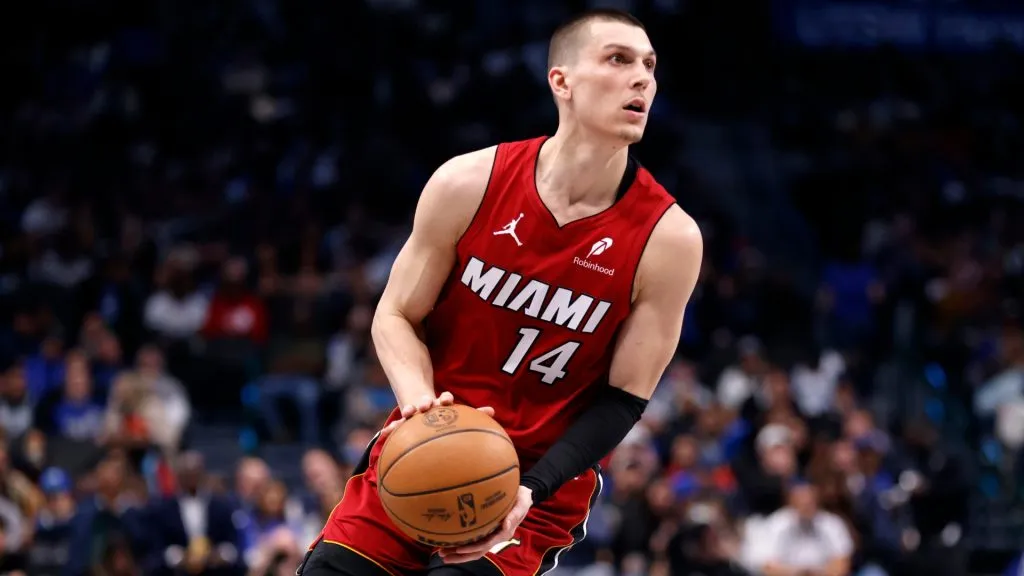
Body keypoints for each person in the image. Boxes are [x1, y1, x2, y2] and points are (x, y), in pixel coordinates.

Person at [298, 8, 703, 576]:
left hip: (531, 485)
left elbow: (625, 399)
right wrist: (418, 406)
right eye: (618, 59)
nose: (642, 78)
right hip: (425, 452)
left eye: (649, 66)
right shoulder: (467, 182)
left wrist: (531, 490)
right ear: (561, 80)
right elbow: (395, 314)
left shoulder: (669, 238)